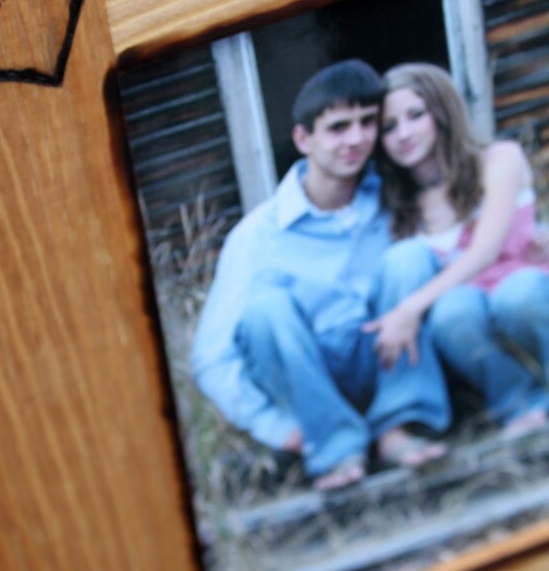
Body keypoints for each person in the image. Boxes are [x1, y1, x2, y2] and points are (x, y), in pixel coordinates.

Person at [190, 60, 450, 491]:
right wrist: (275, 426)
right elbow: (210, 358)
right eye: (338, 127)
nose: (357, 139)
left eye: (368, 123)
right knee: (264, 308)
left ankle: (396, 429)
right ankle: (335, 447)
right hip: (309, 390)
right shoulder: (259, 235)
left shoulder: (393, 200)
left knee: (410, 258)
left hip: (385, 364)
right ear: (302, 138)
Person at [367, 62, 549, 437]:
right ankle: (518, 404)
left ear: (442, 111)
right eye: (389, 127)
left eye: (415, 115)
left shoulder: (499, 159)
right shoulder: (399, 204)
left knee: (517, 296)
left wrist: (409, 308)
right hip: (468, 309)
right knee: (451, 313)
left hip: (524, 285)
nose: (403, 134)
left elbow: (485, 251)